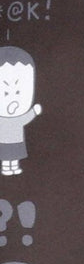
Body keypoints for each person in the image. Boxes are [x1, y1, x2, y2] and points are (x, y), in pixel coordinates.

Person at [0, 47, 41, 176]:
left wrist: (33, 111)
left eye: (18, 92)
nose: (12, 98)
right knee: (6, 155)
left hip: (17, 140)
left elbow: (25, 119)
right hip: (3, 142)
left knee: (14, 155)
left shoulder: (18, 119)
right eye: (5, 93)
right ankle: (6, 168)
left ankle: (13, 166)